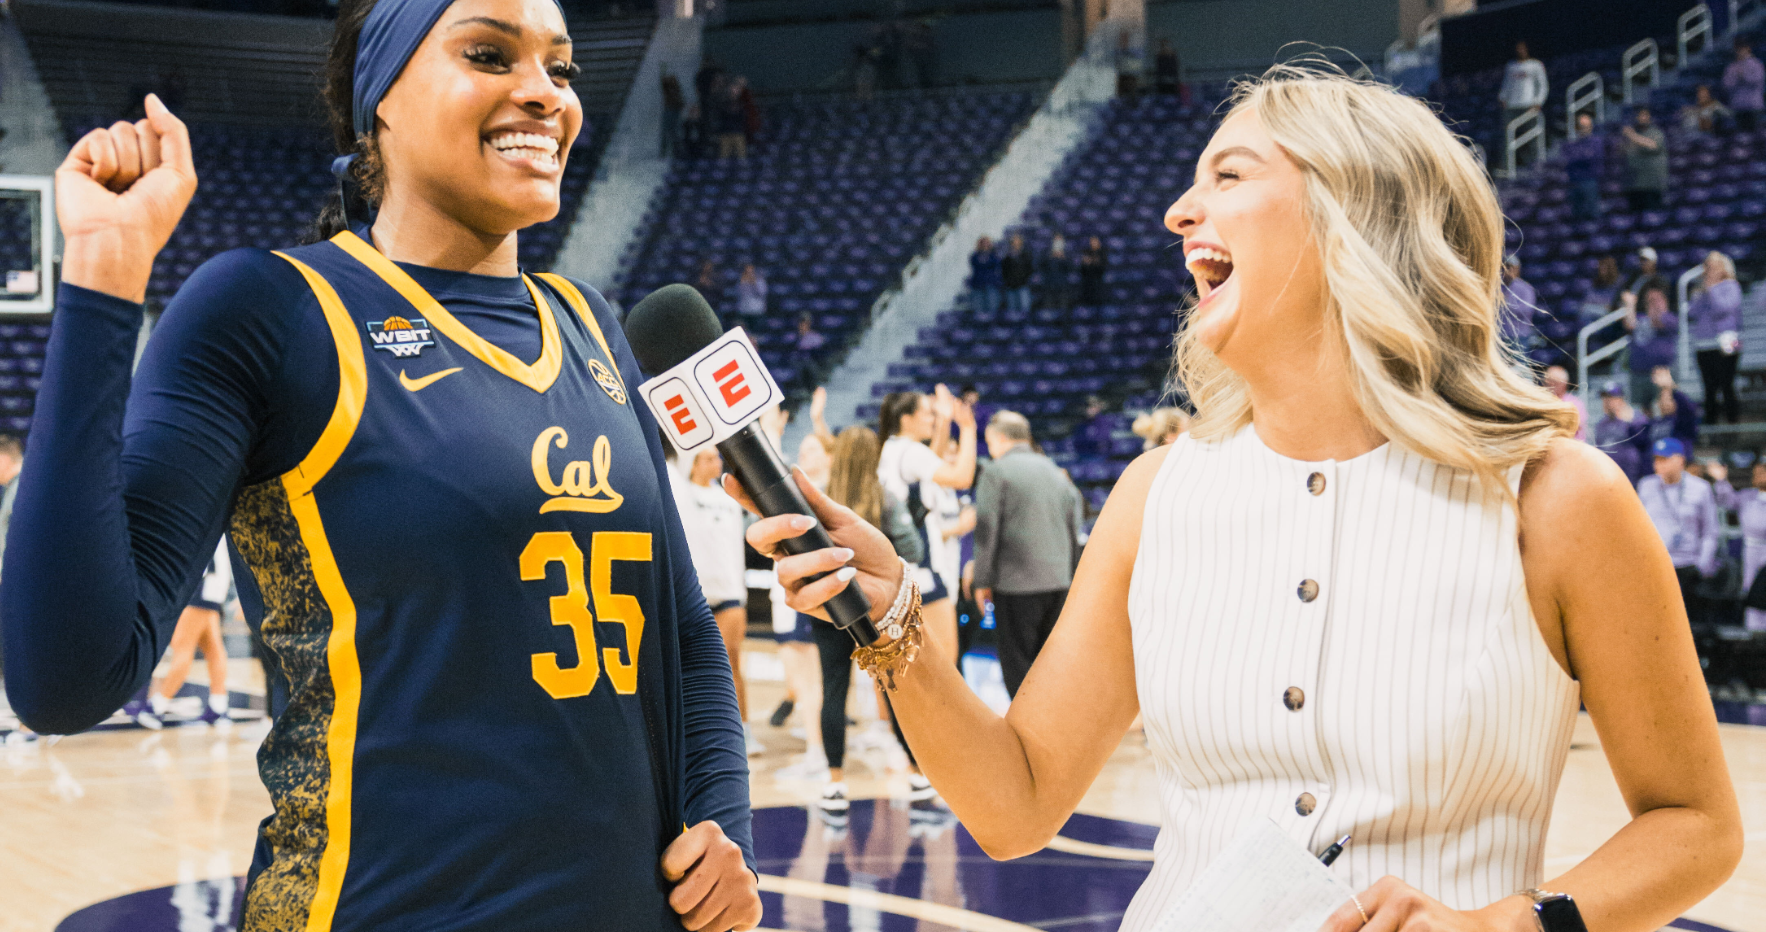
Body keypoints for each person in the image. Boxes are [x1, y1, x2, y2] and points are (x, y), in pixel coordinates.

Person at [739, 65, 1741, 930]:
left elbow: (1695, 823)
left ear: (1355, 211)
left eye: (1225, 176)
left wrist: (1514, 922)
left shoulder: (1558, 499)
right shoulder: (1152, 497)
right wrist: (891, 621)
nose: (1179, 211)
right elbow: (1016, 805)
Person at [0, 0, 758, 932]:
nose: (544, 93)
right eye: (489, 56)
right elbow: (64, 675)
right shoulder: (270, 309)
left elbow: (683, 632)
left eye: (560, 67)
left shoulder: (593, 326)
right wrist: (102, 276)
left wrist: (720, 825)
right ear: (379, 102)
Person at [812, 425, 927, 816]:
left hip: (827, 608)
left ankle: (834, 782)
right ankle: (915, 773)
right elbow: (913, 548)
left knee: (832, 691)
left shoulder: (817, 502)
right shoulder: (886, 498)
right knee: (894, 688)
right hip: (876, 610)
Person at [970, 411, 1080, 695]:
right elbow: (1074, 526)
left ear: (1000, 438)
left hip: (1017, 585)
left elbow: (986, 531)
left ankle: (1024, 734)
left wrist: (981, 580)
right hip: (1058, 581)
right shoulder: (1055, 471)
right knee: (1050, 664)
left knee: (1018, 665)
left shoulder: (996, 471)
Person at [876, 387, 974, 693]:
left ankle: (903, 735)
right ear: (907, 418)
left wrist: (944, 423)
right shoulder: (910, 452)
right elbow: (961, 477)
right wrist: (968, 428)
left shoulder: (892, 448)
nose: (932, 419)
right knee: (945, 664)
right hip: (923, 569)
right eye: (928, 413)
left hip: (902, 567)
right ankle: (945, 738)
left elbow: (931, 460)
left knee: (910, 664)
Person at [667, 444, 757, 756]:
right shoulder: (681, 495)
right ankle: (695, 732)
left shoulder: (728, 499)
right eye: (707, 458)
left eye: (717, 457)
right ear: (692, 465)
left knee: (732, 663)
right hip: (695, 595)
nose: (715, 462)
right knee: (690, 666)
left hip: (730, 593)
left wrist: (741, 594)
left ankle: (743, 730)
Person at [127, 536, 236, 729]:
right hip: (214, 584)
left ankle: (157, 708)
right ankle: (219, 707)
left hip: (204, 583)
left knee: (183, 647)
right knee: (213, 649)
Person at [1639, 437, 1723, 627]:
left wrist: (1702, 565)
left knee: (1691, 624)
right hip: (1658, 566)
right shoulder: (1646, 486)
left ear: (1680, 461)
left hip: (1689, 566)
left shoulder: (1700, 488)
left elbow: (1710, 531)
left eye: (1665, 459)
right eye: (1656, 459)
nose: (1658, 464)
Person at [1710, 458, 1766, 630]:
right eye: (1757, 472)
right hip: (1751, 552)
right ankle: (1754, 633)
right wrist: (1721, 480)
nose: (1758, 475)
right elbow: (1727, 501)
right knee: (1752, 593)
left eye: (1763, 471)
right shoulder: (1747, 496)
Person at [1690, 249, 1743, 425]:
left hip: (1729, 339)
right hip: (1704, 343)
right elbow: (1693, 312)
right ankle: (1711, 421)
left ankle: (1732, 420)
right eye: (1707, 266)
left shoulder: (1731, 286)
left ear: (1722, 268)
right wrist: (1700, 294)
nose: (1709, 270)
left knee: (1727, 383)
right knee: (1709, 387)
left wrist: (1711, 290)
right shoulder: (1702, 289)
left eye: (1712, 267)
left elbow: (1723, 309)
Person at [1624, 284, 1678, 411]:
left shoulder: (1670, 318)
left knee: (1665, 407)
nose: (1652, 303)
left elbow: (1657, 322)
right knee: (1643, 411)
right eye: (1649, 300)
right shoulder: (1641, 318)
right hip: (1639, 372)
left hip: (1661, 372)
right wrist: (1630, 305)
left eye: (1655, 299)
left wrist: (1655, 308)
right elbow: (1629, 325)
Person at [1592, 382, 1652, 482]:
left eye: (1610, 398)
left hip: (1632, 476)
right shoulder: (1601, 424)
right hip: (1608, 476)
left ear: (1621, 399)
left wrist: (1630, 423)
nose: (1606, 402)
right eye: (1604, 398)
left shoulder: (1635, 417)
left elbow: (1645, 444)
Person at [1621, 107, 1668, 212]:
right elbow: (1622, 151)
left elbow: (1652, 145)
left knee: (1652, 218)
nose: (1642, 118)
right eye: (1640, 115)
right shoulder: (1632, 135)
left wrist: (1632, 135)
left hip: (1652, 185)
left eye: (1645, 115)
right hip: (1634, 185)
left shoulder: (1656, 133)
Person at [1561, 111, 1605, 221]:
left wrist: (1579, 155)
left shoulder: (1596, 141)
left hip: (1590, 181)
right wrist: (1581, 154)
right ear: (1577, 127)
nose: (1584, 129)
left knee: (1593, 212)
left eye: (1587, 126)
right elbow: (1568, 158)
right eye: (1581, 126)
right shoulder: (1573, 143)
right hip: (1574, 182)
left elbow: (1590, 157)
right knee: (1576, 214)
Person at [1498, 40, 1548, 137]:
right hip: (1512, 105)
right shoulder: (1511, 66)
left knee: (1532, 134)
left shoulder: (1536, 65)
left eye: (1522, 48)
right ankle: (1507, 153)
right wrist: (1502, 97)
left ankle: (1534, 152)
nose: (1520, 51)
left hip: (1529, 105)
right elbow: (1506, 83)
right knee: (1507, 135)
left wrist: (1539, 102)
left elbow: (1542, 85)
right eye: (1518, 48)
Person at [1645, 366, 1699, 451]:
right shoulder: (1654, 423)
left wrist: (1670, 385)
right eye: (1662, 399)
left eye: (1669, 399)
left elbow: (1688, 408)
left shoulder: (1683, 422)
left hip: (1678, 458)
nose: (1666, 403)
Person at [1723, 40, 1763, 132]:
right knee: (1741, 137)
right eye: (1738, 49)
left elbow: (1757, 81)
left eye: (1742, 49)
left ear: (1748, 49)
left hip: (1753, 106)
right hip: (1738, 106)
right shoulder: (1732, 67)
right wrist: (1736, 78)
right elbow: (1726, 85)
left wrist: (1744, 76)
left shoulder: (1756, 64)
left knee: (1755, 135)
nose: (1739, 51)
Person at [1501, 257, 1540, 351]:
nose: (1508, 271)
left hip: (1519, 335)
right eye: (1506, 268)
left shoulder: (1525, 288)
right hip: (1500, 335)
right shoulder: (1498, 286)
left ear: (1517, 269)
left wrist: (1506, 303)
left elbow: (1527, 310)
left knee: (1519, 364)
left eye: (1511, 268)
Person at [1542, 365, 1585, 438]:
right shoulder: (1542, 401)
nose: (1550, 386)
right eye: (1547, 382)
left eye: (1554, 382)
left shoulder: (1574, 403)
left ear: (1564, 384)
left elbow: (1575, 426)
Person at [1038, 235, 1075, 312]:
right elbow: (1040, 266)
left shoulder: (1067, 254)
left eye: (1059, 241)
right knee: (1048, 309)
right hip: (1049, 285)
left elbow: (1071, 268)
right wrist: (1050, 257)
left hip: (1062, 286)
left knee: (1063, 308)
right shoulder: (1046, 253)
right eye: (1056, 241)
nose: (1057, 243)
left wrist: (1063, 258)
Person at [999, 233, 1033, 315]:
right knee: (1012, 311)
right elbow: (1004, 270)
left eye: (1017, 242)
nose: (1015, 244)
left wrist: (1024, 279)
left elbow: (1030, 269)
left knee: (1025, 310)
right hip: (1010, 286)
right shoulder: (1007, 257)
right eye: (1014, 242)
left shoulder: (1026, 255)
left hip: (1022, 285)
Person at [968, 236, 1001, 314]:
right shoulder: (974, 256)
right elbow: (975, 265)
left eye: (987, 243)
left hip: (991, 284)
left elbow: (995, 264)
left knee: (992, 306)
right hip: (978, 284)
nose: (985, 245)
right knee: (978, 307)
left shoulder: (994, 255)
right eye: (983, 243)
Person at [659, 70, 685, 157]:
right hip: (670, 111)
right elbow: (663, 81)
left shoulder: (676, 91)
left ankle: (672, 151)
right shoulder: (669, 90)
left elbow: (681, 103)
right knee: (668, 133)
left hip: (673, 111)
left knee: (672, 133)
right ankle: (665, 151)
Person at [1077, 235, 1107, 306]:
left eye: (1095, 242)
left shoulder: (1102, 253)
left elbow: (1102, 267)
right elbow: (1082, 269)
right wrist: (1088, 263)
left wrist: (1092, 262)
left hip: (1098, 281)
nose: (1093, 243)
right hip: (1088, 281)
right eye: (1092, 242)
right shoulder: (1086, 252)